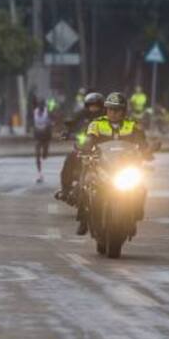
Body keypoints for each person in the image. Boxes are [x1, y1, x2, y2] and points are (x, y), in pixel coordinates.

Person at [79, 92, 149, 235]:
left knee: (141, 187)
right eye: (110, 109)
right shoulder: (96, 124)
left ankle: (135, 215)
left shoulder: (133, 125)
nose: (113, 113)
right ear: (106, 109)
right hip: (102, 165)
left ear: (124, 111)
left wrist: (147, 151)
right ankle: (83, 219)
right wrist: (85, 149)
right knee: (85, 184)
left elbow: (142, 143)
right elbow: (89, 140)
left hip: (125, 167)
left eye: (117, 110)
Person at [55, 92, 105, 203]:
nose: (94, 108)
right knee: (70, 158)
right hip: (84, 147)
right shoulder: (81, 115)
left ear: (101, 106)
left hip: (102, 149)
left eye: (96, 106)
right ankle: (65, 189)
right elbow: (72, 123)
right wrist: (67, 132)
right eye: (91, 106)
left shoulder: (108, 117)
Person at [33, 98, 52, 183]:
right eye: (39, 105)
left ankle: (45, 153)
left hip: (45, 136)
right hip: (38, 136)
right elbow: (32, 122)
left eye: (42, 106)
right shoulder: (35, 112)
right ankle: (39, 173)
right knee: (37, 154)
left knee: (44, 155)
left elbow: (50, 123)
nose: (40, 107)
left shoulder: (47, 112)